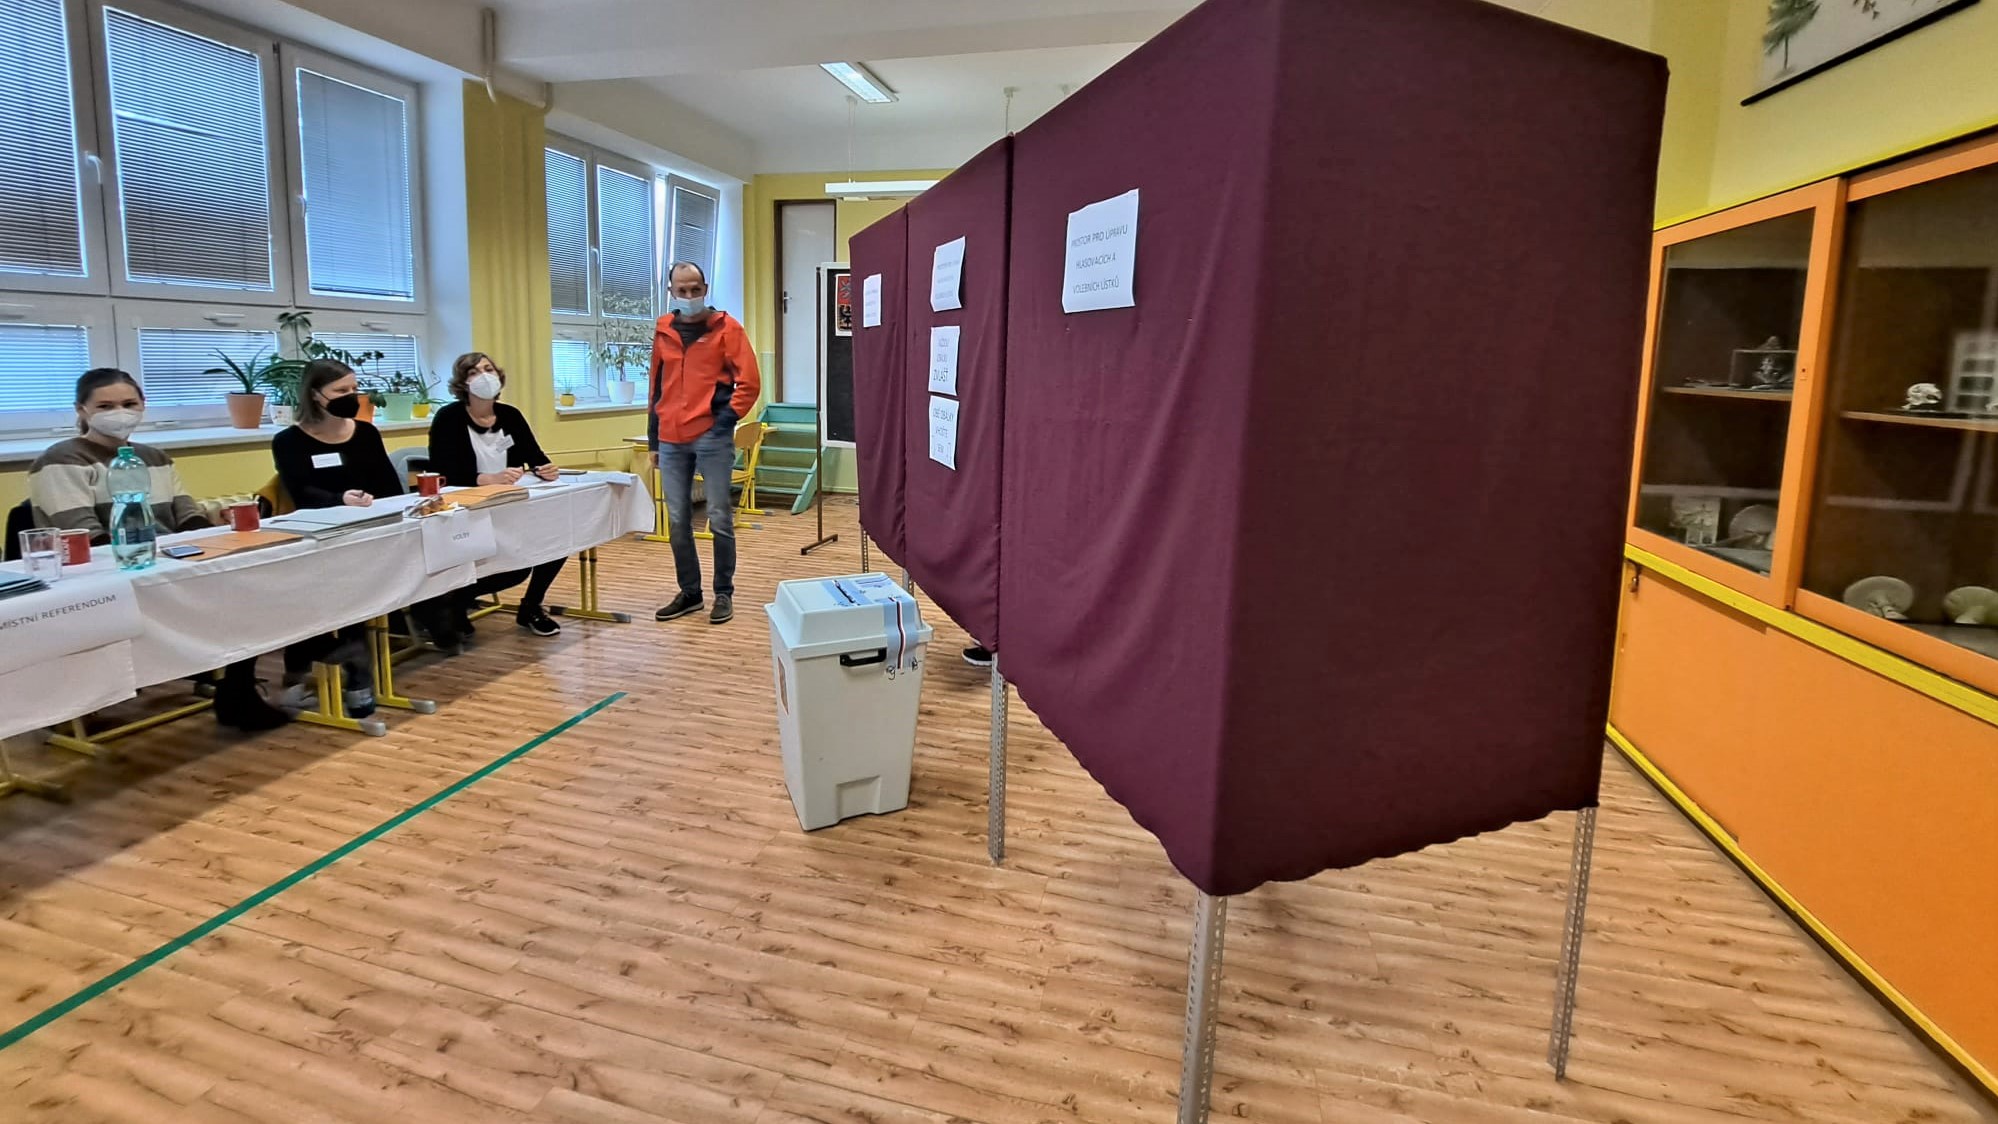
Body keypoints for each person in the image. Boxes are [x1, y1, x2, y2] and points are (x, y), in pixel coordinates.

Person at [27, 369, 291, 730]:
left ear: (142, 406)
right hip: (105, 572)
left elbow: (186, 513)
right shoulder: (61, 460)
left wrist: (217, 544)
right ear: (81, 410)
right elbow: (84, 533)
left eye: (128, 403)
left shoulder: (154, 457)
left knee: (244, 585)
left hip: (164, 561)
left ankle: (238, 690)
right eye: (105, 406)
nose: (119, 412)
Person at [274, 360, 461, 711]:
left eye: (353, 389)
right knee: (345, 591)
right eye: (340, 391)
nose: (351, 396)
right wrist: (340, 499)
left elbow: (388, 485)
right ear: (315, 395)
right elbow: (301, 492)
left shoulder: (366, 433)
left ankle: (431, 628)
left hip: (374, 528)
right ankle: (346, 673)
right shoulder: (288, 441)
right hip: (325, 535)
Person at [649, 261, 760, 626]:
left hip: (711, 435)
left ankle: (723, 592)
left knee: (719, 517)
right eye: (682, 290)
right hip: (670, 437)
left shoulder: (727, 328)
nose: (689, 295)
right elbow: (656, 386)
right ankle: (690, 593)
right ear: (671, 291)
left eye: (695, 289)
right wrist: (654, 438)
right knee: (677, 519)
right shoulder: (663, 329)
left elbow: (750, 383)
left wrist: (724, 421)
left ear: (705, 288)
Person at [426, 352, 565, 638]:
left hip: (510, 502)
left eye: (488, 369)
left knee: (558, 538)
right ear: (463, 382)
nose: (484, 376)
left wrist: (545, 469)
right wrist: (483, 479)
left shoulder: (510, 415)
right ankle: (455, 600)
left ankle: (531, 606)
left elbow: (534, 455)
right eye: (474, 372)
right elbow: (442, 469)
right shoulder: (449, 418)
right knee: (512, 569)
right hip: (468, 506)